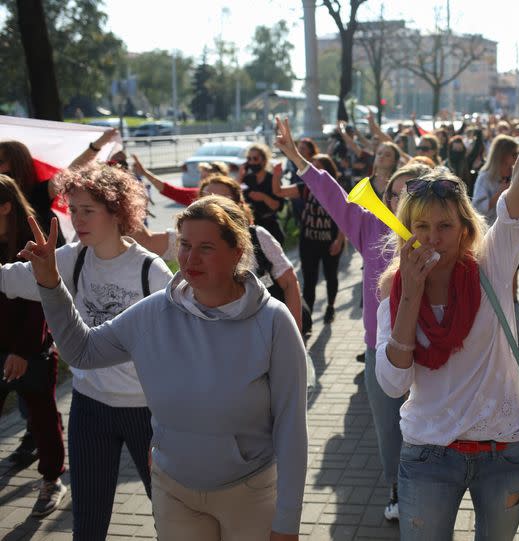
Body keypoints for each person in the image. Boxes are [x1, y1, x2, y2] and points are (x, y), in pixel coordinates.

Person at [374, 15, 519, 539]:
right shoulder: (395, 293)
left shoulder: (491, 261)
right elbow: (393, 383)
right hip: (426, 455)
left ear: (466, 229)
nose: (435, 237)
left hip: (503, 452)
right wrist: (411, 298)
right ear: (407, 231)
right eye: (422, 226)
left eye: (446, 225)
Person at [22, 195, 308, 541]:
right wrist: (51, 284)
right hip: (174, 491)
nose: (190, 258)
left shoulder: (273, 321)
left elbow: (292, 427)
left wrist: (288, 522)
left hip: (250, 492)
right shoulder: (153, 312)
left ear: (237, 252)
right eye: (185, 244)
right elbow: (82, 351)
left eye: (206, 247)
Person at [0, 164, 173, 540]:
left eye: (88, 210)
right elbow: (13, 278)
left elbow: (181, 339)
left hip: (147, 411)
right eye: (72, 209)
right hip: (90, 406)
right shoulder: (70, 258)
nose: (76, 219)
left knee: (170, 515)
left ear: (117, 211)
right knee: (89, 522)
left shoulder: (150, 271)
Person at [274, 114, 431, 522]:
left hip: (434, 350)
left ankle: (432, 490)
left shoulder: (441, 238)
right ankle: (397, 488)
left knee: (429, 428)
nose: (400, 200)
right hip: (379, 349)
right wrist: (298, 159)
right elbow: (335, 199)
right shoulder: (371, 228)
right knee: (389, 429)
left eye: (410, 192)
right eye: (393, 193)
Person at [131, 174, 303, 334]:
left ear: (238, 205)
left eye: (222, 200)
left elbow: (289, 282)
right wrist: (126, 205)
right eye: (206, 199)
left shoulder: (257, 236)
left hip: (263, 334)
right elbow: (147, 241)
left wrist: (292, 333)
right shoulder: (186, 239)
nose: (193, 255)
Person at [0, 175, 66, 517]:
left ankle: (52, 479)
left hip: (32, 350)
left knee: (42, 416)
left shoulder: (31, 243)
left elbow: (41, 301)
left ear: (6, 206)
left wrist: (23, 352)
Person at [271, 154, 345, 324]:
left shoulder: (335, 188)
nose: (315, 170)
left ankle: (330, 307)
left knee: (331, 276)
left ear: (328, 170)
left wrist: (339, 240)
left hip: (330, 241)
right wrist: (276, 174)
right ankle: (307, 315)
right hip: (308, 241)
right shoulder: (305, 187)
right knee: (309, 280)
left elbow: (344, 216)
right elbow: (278, 192)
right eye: (313, 166)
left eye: (319, 167)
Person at [241, 143, 285, 244]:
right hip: (252, 229)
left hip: (270, 229)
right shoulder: (247, 179)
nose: (251, 162)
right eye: (249, 159)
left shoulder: (272, 179)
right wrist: (240, 174)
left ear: (264, 160)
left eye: (255, 158)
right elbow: (234, 195)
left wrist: (264, 197)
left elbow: (277, 206)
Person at [471, 134, 519, 225]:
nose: (517, 157)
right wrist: (500, 193)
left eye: (518, 153)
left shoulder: (516, 174)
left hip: (513, 229)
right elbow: (478, 208)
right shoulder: (485, 177)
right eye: (514, 154)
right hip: (491, 229)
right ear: (503, 155)